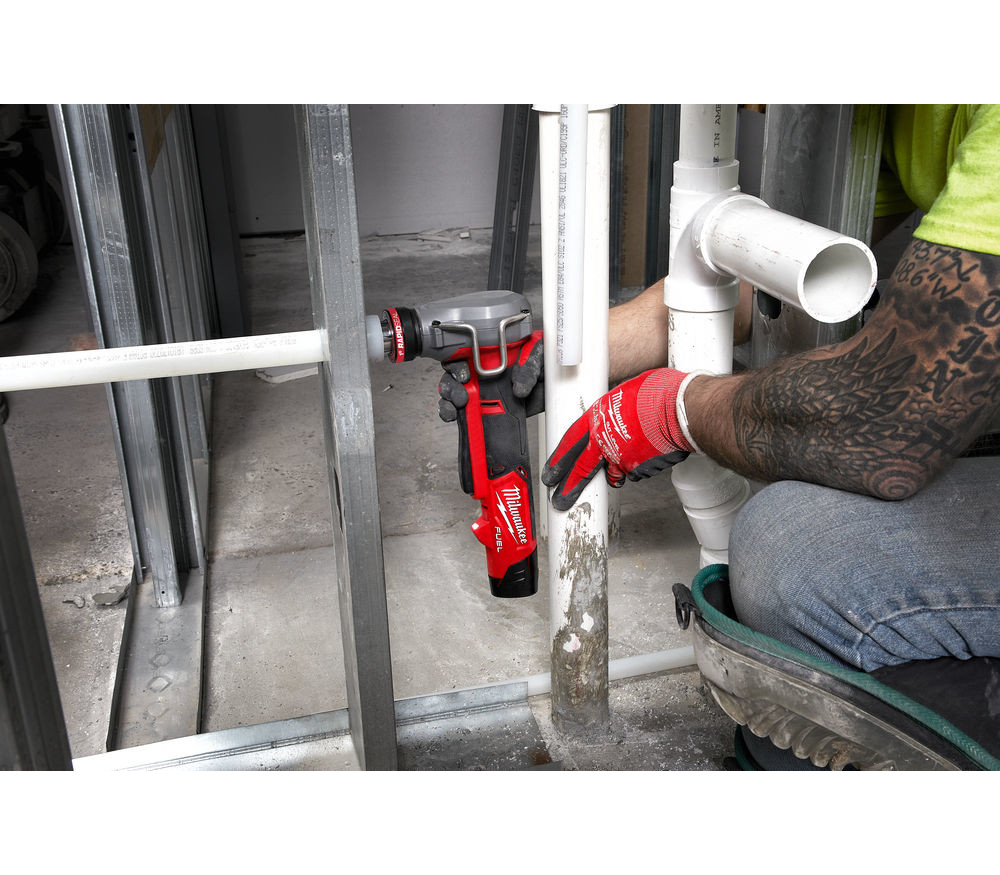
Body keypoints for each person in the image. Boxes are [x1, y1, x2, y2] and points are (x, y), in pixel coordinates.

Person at [440, 106, 1000, 758]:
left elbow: (890, 424)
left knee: (795, 554)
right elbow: (789, 288)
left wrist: (673, 410)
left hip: (899, 422)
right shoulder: (878, 107)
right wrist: (581, 354)